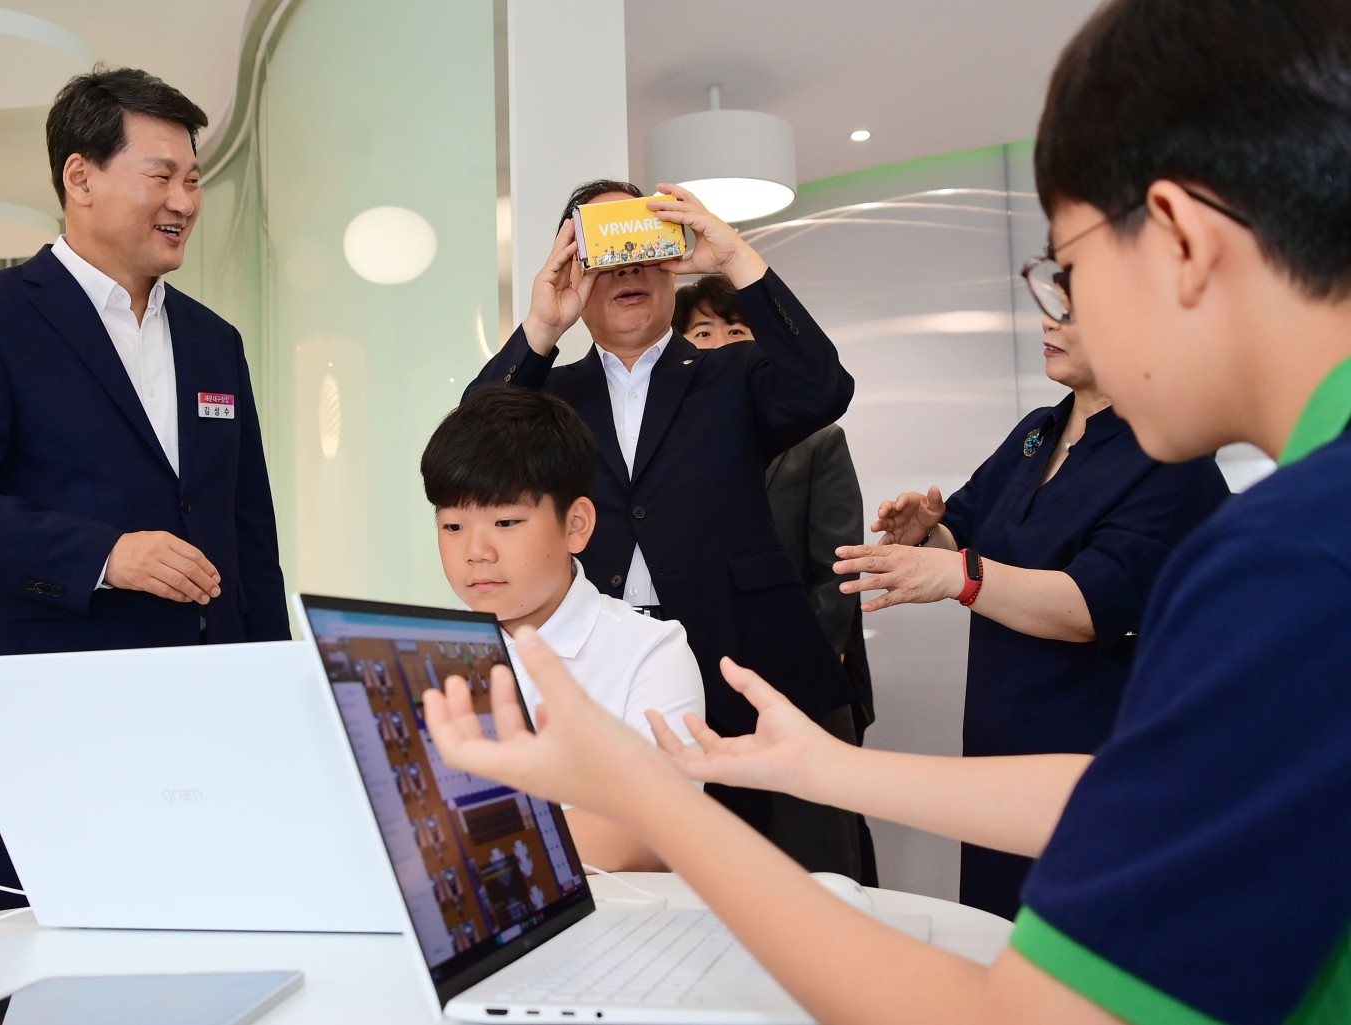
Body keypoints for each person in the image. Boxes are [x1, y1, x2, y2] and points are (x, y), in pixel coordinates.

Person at [421, 0, 1351, 1021]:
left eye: (1067, 272)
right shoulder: (1303, 536)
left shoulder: (1291, 561)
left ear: (1180, 238)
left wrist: (650, 802)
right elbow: (1159, 796)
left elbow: (1019, 1012)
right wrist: (829, 765)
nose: (1061, 310)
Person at [0, 67, 289, 909]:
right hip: (48, 720)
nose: (184, 200)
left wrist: (276, 697)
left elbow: (250, 535)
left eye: (194, 179)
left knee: (216, 945)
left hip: (209, 721)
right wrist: (105, 555)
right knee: (47, 962)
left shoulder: (215, 341)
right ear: (81, 177)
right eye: (162, 174)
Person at [469, 180, 863, 874]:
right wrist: (540, 329)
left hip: (745, 659)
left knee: (779, 876)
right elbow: (471, 450)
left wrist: (733, 257)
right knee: (638, 867)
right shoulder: (550, 395)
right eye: (605, 253)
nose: (627, 271)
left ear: (671, 262)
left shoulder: (733, 371)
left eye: (642, 247)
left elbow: (824, 387)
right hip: (606, 665)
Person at [832, 309, 1228, 917]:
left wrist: (959, 575)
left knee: (1077, 937)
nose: (1048, 324)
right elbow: (967, 533)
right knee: (997, 926)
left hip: (1093, 753)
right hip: (999, 745)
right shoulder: (1039, 430)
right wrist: (928, 535)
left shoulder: (1170, 454)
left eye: (1070, 311)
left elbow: (1089, 604)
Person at [420, 384, 704, 871]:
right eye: (452, 527)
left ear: (576, 525)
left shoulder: (650, 651)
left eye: (506, 523)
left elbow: (658, 827)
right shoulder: (420, 651)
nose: (475, 552)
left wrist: (451, 846)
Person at [674, 274, 880, 885]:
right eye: (702, 332)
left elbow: (838, 565)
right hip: (704, 671)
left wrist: (801, 653)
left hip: (800, 667)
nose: (719, 343)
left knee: (816, 845)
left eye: (736, 330)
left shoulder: (817, 440)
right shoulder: (671, 447)